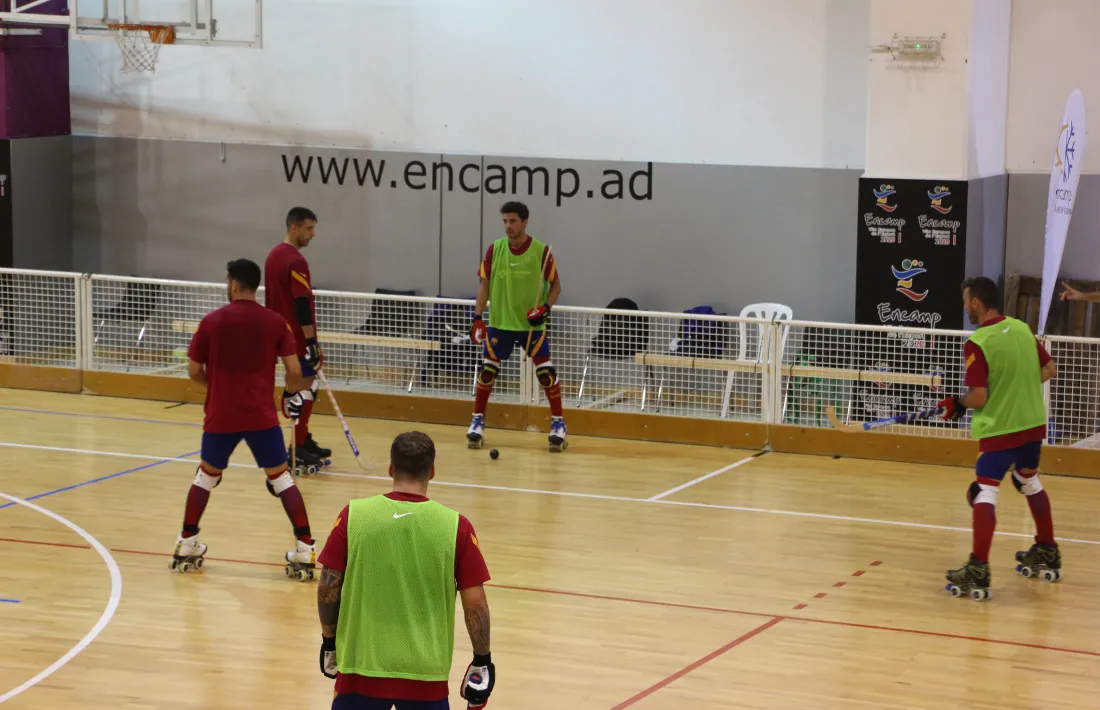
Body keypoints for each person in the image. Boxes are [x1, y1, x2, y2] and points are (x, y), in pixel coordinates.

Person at [316, 431, 495, 710]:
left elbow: (328, 586)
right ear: (432, 472)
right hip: (425, 676)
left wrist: (329, 640)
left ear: (391, 469)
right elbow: (476, 603)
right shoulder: (456, 527)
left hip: (360, 669)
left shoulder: (353, 516)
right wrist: (482, 660)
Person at [171, 258, 318, 579]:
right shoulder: (276, 323)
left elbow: (194, 370)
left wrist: (218, 385)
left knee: (206, 476)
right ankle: (305, 548)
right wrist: (292, 394)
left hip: (221, 414)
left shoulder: (211, 322)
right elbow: (294, 372)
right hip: (260, 416)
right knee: (280, 478)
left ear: (234, 284)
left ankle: (187, 542)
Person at [938, 276, 1060, 600]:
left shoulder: (979, 341)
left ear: (976, 303)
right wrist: (1016, 385)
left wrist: (959, 403)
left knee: (983, 492)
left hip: (1001, 428)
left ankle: (978, 568)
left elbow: (978, 396)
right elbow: (1050, 370)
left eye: (966, 301)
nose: (965, 307)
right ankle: (1047, 548)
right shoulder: (1022, 328)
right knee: (1028, 482)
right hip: (1032, 425)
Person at [467, 201, 566, 452]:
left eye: (512, 221)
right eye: (505, 221)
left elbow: (556, 286)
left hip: (531, 325)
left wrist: (545, 309)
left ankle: (558, 424)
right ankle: (477, 420)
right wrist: (477, 317)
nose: (508, 226)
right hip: (500, 323)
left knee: (545, 373)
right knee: (487, 371)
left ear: (525, 222)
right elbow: (483, 286)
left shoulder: (541, 252)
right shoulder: (494, 250)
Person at [265, 206, 331, 473]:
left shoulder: (273, 257)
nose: (312, 234)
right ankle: (296, 449)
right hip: (296, 337)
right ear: (294, 228)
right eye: (309, 228)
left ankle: (302, 439)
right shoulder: (295, 261)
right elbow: (301, 303)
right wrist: (312, 342)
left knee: (308, 386)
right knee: (304, 388)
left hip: (281, 334)